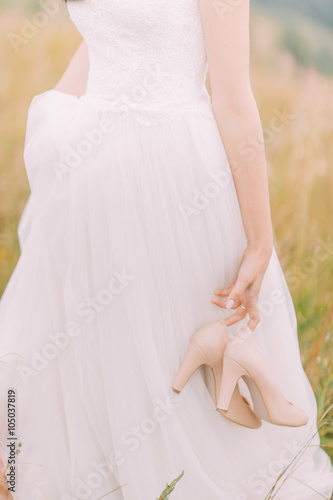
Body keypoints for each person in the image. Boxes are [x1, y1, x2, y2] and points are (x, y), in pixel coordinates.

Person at [0, 0, 332, 498]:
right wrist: (54, 134)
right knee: (78, 344)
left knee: (162, 341)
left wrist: (260, 240)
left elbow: (234, 100)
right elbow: (103, 38)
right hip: (88, 169)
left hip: (173, 176)